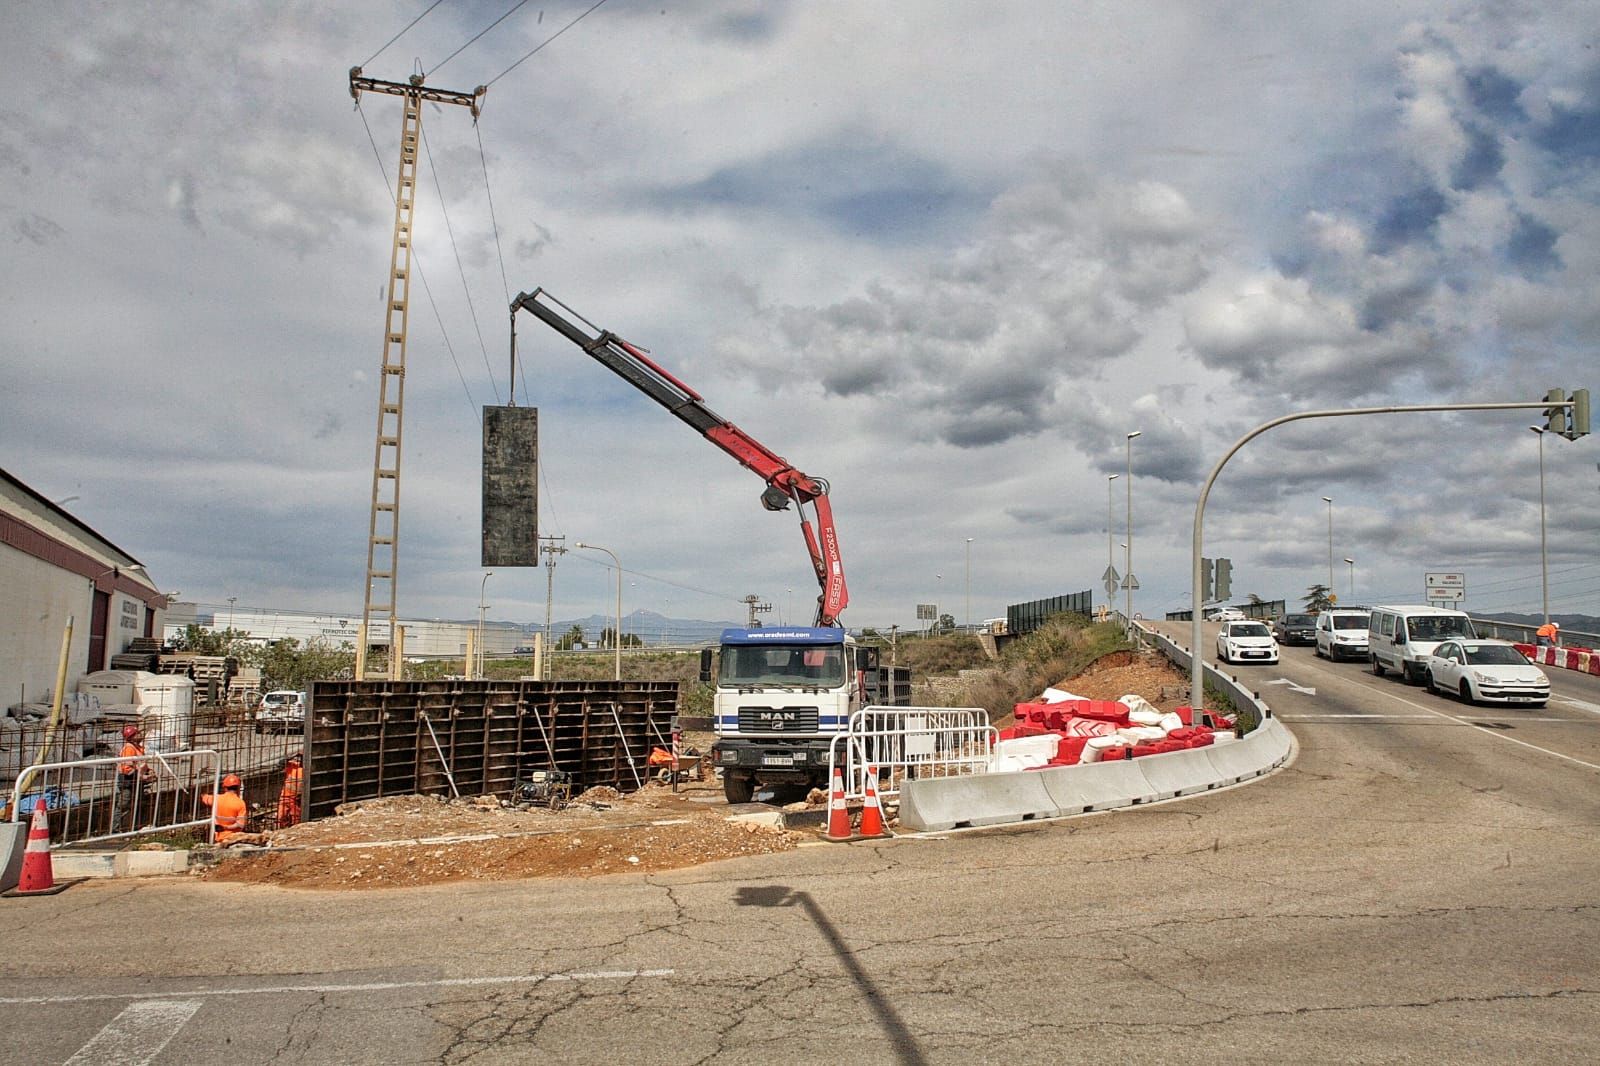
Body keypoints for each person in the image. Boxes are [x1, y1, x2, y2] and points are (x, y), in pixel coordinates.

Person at [113, 725, 154, 833]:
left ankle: (135, 828)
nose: (140, 735)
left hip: (136, 781)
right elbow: (127, 769)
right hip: (128, 781)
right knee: (124, 805)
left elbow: (140, 764)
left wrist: (148, 771)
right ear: (132, 737)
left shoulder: (138, 748)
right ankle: (115, 830)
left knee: (138, 804)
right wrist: (142, 776)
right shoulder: (129, 748)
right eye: (137, 733)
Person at [202, 773, 250, 844]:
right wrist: (225, 827)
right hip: (234, 839)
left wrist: (203, 795)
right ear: (238, 788)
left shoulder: (216, 799)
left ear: (224, 787)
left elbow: (204, 798)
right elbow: (240, 825)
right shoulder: (241, 803)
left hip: (219, 839)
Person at [276, 752, 303, 829]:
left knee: (296, 820)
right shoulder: (292, 765)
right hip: (285, 797)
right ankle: (279, 832)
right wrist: (292, 756)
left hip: (296, 800)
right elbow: (280, 764)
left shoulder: (307, 770)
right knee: (280, 818)